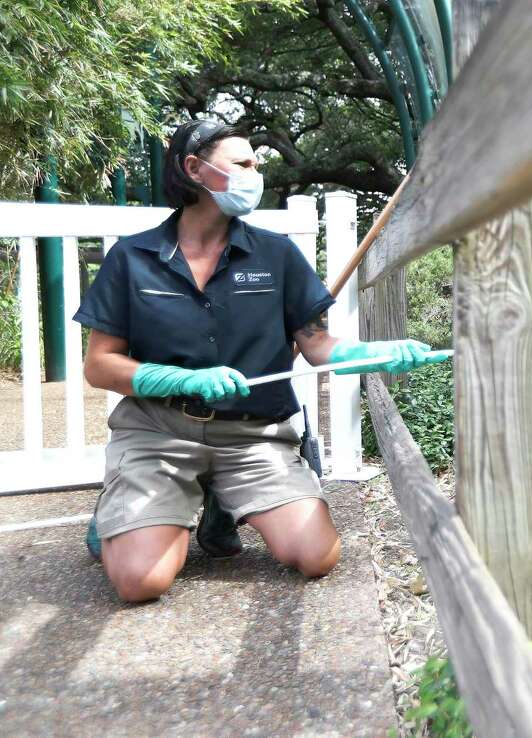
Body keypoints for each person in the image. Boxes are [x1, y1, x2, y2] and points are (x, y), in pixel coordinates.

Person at [74, 119, 443, 602]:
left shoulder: (277, 255)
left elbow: (317, 347)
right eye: (242, 163)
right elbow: (100, 366)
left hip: (252, 436)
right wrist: (181, 379)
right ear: (195, 169)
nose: (255, 172)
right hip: (157, 433)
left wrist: (373, 353)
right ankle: (126, 511)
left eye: (256, 163)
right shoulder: (131, 258)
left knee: (317, 556)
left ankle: (214, 503)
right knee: (141, 582)